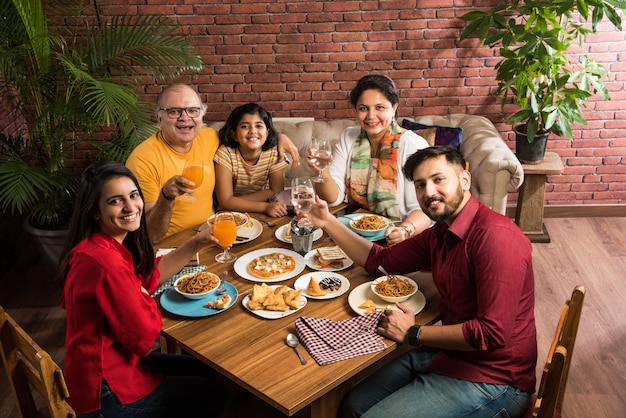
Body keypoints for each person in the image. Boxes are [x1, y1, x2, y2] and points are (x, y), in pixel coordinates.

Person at [302, 146, 537, 418]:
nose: (428, 192)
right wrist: (328, 221)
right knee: (353, 404)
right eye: (420, 185)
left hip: (495, 380)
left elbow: (491, 333)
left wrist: (414, 333)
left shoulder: (496, 237)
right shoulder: (440, 232)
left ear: (464, 180)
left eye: (439, 179)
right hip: (449, 355)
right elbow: (381, 262)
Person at [58, 161, 229, 418]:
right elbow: (145, 341)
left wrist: (195, 243)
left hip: (103, 367)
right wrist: (143, 296)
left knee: (204, 369)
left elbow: (149, 276)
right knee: (215, 394)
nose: (131, 207)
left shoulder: (93, 247)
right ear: (94, 211)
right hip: (107, 391)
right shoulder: (107, 264)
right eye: (116, 201)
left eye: (134, 195)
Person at [126, 83, 299, 243]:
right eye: (174, 111)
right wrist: (166, 196)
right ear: (159, 118)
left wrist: (280, 138)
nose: (184, 118)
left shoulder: (209, 137)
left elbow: (249, 138)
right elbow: (151, 235)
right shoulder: (143, 160)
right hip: (172, 244)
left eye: (192, 110)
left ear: (201, 115)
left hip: (212, 234)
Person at [307, 74, 432, 245]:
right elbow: (333, 198)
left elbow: (425, 208)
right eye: (363, 108)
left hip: (399, 235)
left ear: (394, 108)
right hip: (353, 231)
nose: (371, 116)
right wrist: (321, 170)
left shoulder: (413, 144)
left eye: (380, 107)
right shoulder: (349, 136)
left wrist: (405, 230)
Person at [214, 103, 289, 217]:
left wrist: (233, 202)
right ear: (234, 135)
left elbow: (276, 190)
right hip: (229, 212)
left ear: (267, 133)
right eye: (245, 126)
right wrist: (264, 207)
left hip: (251, 207)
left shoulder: (274, 153)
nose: (252, 131)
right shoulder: (225, 154)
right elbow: (224, 202)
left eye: (259, 126)